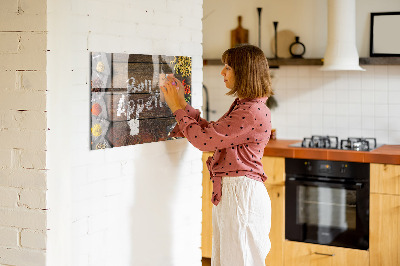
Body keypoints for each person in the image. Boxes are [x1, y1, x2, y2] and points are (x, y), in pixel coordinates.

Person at [161, 44, 273, 266]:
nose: (222, 72)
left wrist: (176, 108)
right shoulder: (246, 106)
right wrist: (182, 104)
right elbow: (212, 133)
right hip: (236, 193)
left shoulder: (250, 111)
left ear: (244, 72)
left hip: (241, 195)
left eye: (228, 67)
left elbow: (204, 141)